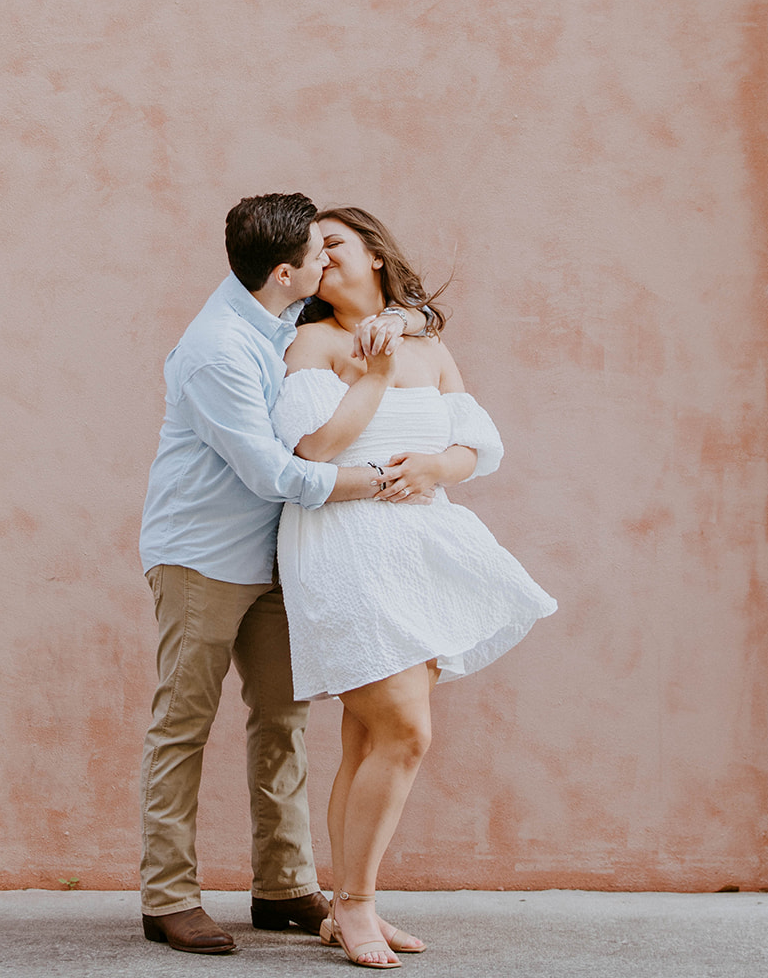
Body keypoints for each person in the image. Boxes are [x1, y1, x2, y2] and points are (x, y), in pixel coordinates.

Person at [138, 193, 447, 956]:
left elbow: (405, 323)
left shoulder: (276, 316)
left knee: (281, 722)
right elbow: (281, 472)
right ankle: (168, 898)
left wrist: (406, 321)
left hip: (278, 558)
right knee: (183, 725)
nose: (328, 261)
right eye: (319, 252)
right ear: (287, 272)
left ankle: (282, 888)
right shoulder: (217, 349)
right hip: (203, 558)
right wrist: (381, 478)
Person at [272, 207, 557, 968]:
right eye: (309, 251)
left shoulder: (428, 345)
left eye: (332, 241)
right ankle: (358, 907)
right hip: (344, 544)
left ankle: (345, 906)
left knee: (367, 738)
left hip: (420, 548)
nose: (320, 256)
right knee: (406, 733)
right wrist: (369, 376)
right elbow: (312, 449)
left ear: (372, 250)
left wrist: (436, 467)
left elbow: (477, 446)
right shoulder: (314, 340)